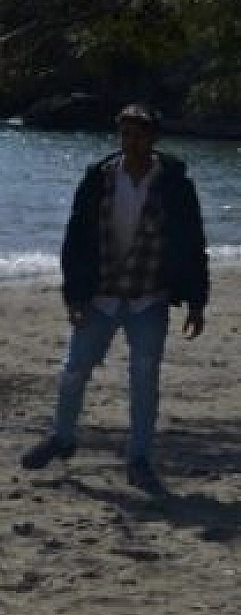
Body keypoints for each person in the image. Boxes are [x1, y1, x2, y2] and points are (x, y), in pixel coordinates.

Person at [20, 103, 210, 495]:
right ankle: (62, 437)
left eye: (139, 134)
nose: (131, 142)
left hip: (149, 296)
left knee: (144, 380)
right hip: (100, 295)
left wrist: (197, 301)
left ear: (154, 138)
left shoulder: (174, 183)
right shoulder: (99, 179)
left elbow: (193, 243)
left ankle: (139, 460)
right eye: (125, 133)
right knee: (73, 371)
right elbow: (75, 240)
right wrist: (73, 294)